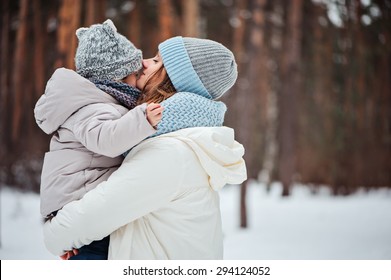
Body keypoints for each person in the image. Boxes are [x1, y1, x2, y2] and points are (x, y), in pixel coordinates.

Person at [43, 36, 247, 260]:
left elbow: (82, 222)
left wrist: (59, 236)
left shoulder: (169, 151)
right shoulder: (179, 140)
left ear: (176, 80)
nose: (144, 63)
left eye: (158, 62)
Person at [34, 19, 163, 260]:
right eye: (136, 75)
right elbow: (107, 140)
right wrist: (142, 120)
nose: (139, 80)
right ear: (118, 77)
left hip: (82, 208)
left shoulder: (97, 103)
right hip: (79, 205)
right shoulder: (93, 107)